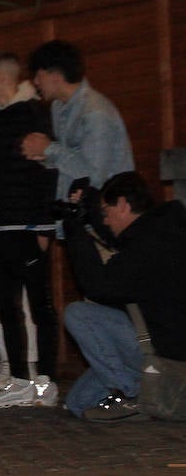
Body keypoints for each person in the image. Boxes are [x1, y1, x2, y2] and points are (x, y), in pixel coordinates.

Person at [61, 172, 186, 421]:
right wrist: (91, 209)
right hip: (161, 340)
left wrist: (75, 230)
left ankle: (135, 394)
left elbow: (98, 286)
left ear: (122, 205)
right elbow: (121, 245)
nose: (105, 220)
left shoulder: (150, 245)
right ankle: (138, 389)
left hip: (168, 354)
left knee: (79, 314)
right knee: (78, 403)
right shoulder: (163, 230)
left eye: (105, 212)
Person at [0, 53, 60, 408]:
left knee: (40, 307)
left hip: (28, 227)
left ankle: (46, 382)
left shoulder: (33, 113)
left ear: (1, 78)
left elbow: (46, 172)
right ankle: (20, 381)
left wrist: (44, 226)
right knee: (6, 308)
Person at [21, 39, 134, 201]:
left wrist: (49, 149)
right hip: (76, 207)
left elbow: (94, 177)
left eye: (39, 75)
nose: (36, 82)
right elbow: (69, 160)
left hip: (105, 210)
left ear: (55, 76)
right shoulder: (58, 107)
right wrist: (45, 155)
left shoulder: (95, 113)